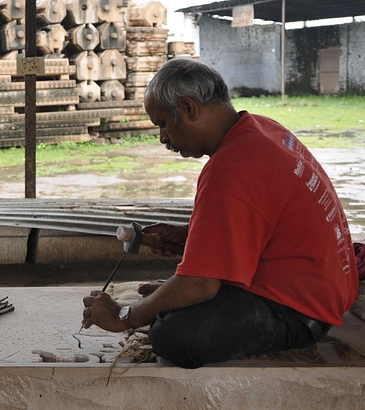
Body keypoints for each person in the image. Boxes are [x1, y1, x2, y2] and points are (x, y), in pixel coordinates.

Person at [81, 59, 360, 369]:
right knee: (170, 299)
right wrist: (192, 235)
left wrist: (124, 316)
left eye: (162, 124)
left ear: (187, 108)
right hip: (325, 287)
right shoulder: (262, 128)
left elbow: (200, 284)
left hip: (302, 310)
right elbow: (264, 219)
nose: (162, 137)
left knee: (175, 335)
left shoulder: (231, 167)